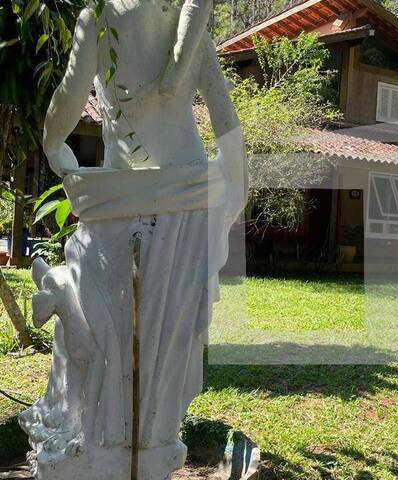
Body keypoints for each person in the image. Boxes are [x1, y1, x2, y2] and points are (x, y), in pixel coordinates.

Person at [22, 1, 247, 478]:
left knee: (110, 331)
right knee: (169, 338)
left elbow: (62, 113)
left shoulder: (99, 20)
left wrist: (59, 155)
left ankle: (109, 447)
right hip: (187, 197)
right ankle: (154, 448)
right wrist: (232, 194)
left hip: (121, 200)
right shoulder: (182, 17)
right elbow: (226, 118)